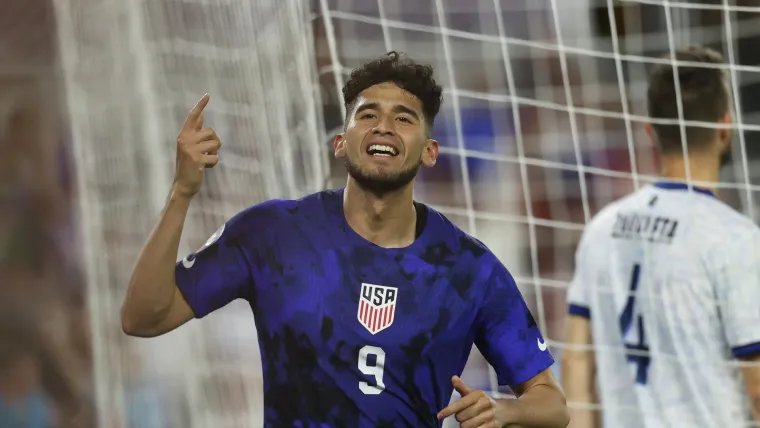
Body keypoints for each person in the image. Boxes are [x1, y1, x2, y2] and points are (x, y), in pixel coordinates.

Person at [121, 51, 569, 427]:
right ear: (341, 142)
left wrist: (505, 410)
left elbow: (552, 403)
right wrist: (182, 193)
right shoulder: (273, 233)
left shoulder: (469, 269)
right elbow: (142, 317)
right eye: (367, 114)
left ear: (430, 151)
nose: (383, 126)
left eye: (404, 118)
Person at [561, 45, 760, 428]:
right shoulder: (735, 239)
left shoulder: (602, 228)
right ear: (725, 126)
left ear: (650, 131)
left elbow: (576, 361)